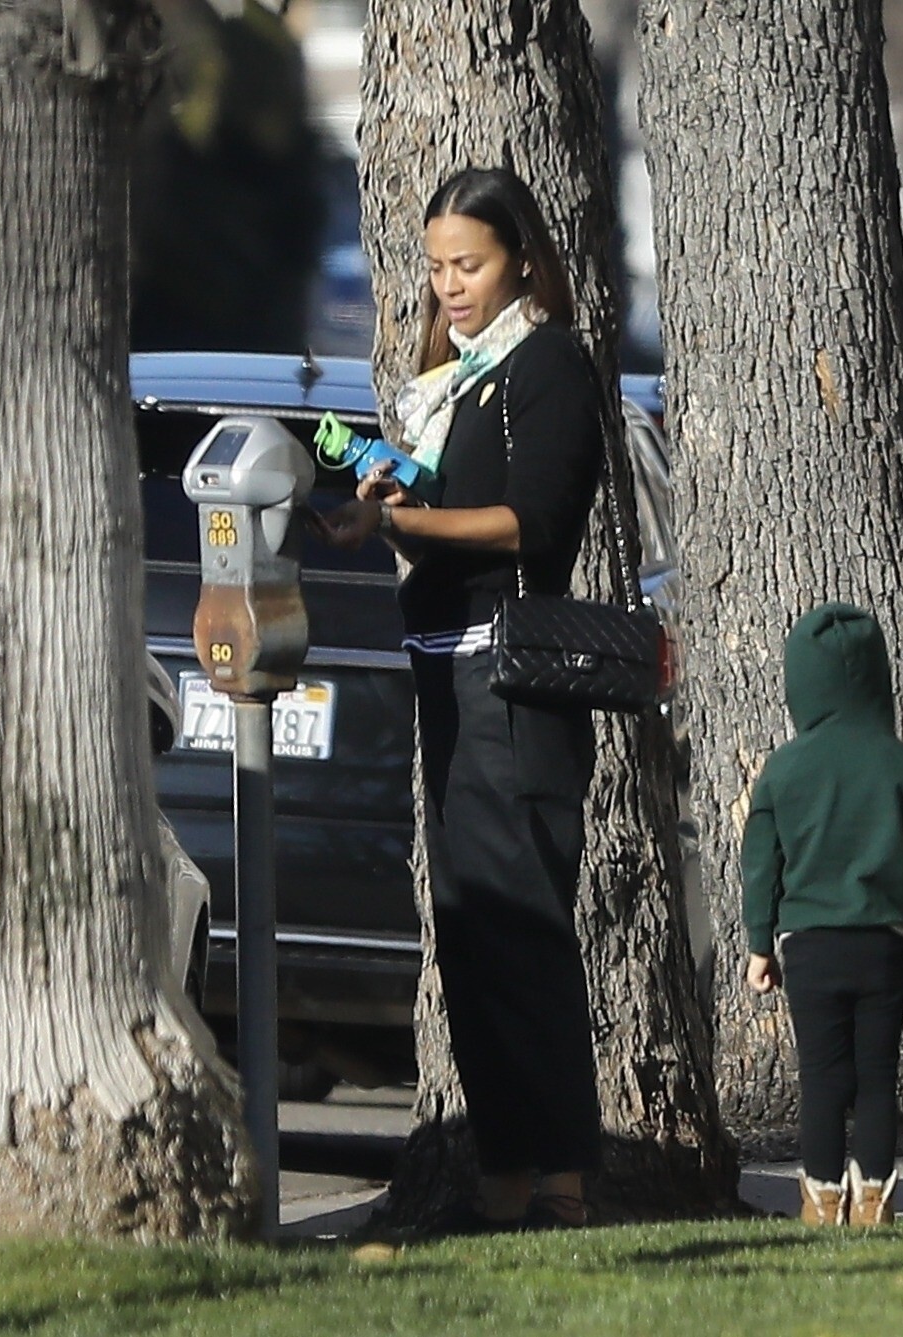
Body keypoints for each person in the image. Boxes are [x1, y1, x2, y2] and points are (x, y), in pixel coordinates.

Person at [313, 166, 604, 1232]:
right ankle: (502, 1178)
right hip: (444, 679)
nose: (450, 286)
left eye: (469, 265)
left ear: (522, 259)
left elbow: (530, 522)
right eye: (437, 267)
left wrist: (406, 525)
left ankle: (564, 1183)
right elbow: (445, 500)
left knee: (524, 932)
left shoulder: (547, 363)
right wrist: (384, 497)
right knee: (471, 937)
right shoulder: (452, 383)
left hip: (510, 686)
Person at [741, 602, 903, 1227]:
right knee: (877, 1076)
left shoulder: (784, 768)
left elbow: (761, 863)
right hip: (885, 944)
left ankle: (822, 1195)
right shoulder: (901, 764)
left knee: (823, 1076)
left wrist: (760, 943)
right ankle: (875, 1197)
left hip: (808, 945)